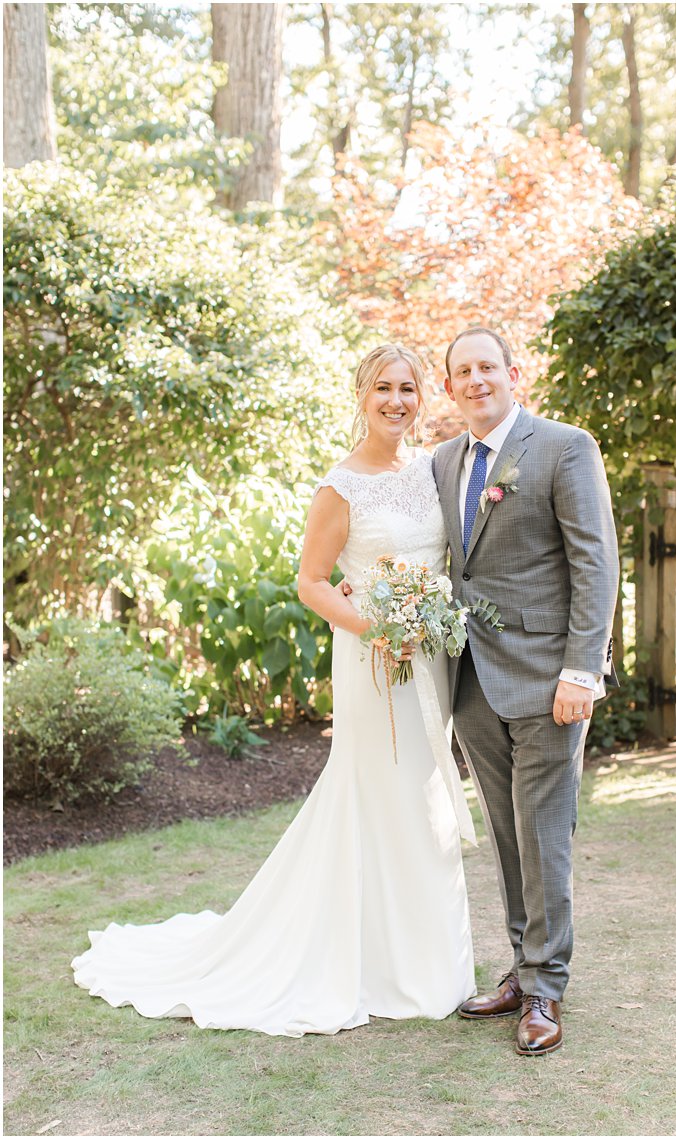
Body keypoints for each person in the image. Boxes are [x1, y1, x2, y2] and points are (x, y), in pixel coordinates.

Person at [72, 344, 477, 1036]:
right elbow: (312, 581)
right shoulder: (340, 484)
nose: (396, 400)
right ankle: (375, 964)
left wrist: (426, 618)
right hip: (373, 661)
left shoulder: (433, 470)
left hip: (429, 662)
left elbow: (443, 557)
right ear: (361, 393)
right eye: (383, 386)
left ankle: (428, 960)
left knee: (428, 795)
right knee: (379, 790)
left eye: (408, 388)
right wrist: (375, 627)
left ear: (422, 397)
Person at [433, 326, 619, 1057]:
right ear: (450, 387)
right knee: (509, 834)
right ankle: (519, 965)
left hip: (549, 677)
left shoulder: (565, 446)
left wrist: (583, 667)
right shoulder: (444, 460)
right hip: (472, 676)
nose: (477, 379)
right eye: (462, 370)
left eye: (488, 366)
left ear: (514, 373)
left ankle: (546, 987)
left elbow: (595, 560)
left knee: (544, 833)